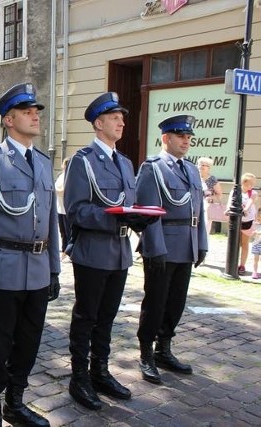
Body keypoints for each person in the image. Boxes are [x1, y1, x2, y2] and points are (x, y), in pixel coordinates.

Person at [0, 83, 59, 427]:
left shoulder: (44, 163)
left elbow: (51, 221)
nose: (36, 115)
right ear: (8, 120)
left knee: (30, 343)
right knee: (0, 345)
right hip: (3, 271)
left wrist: (54, 270)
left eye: (36, 110)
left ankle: (14, 402)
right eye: (27, 111)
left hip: (36, 269)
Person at [65, 92, 153, 410]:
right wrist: (112, 216)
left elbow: (128, 205)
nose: (121, 122)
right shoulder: (83, 160)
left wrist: (139, 219)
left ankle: (100, 371)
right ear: (98, 123)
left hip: (120, 251)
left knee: (108, 317)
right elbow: (75, 210)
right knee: (87, 316)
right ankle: (79, 378)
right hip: (92, 251)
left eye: (122, 117)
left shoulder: (126, 163)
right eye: (115, 117)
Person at [135, 114, 208, 384]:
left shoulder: (190, 170)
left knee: (176, 301)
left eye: (188, 137)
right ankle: (146, 353)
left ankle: (163, 349)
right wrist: (155, 248)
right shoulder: (153, 168)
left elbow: (197, 211)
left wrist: (201, 244)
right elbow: (147, 211)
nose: (186, 141)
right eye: (181, 136)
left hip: (186, 244)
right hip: (163, 244)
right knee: (155, 302)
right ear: (166, 138)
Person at [226, 172, 257, 275]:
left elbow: (250, 203)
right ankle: (233, 263)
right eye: (250, 184)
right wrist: (227, 210)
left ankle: (242, 265)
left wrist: (246, 210)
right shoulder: (235, 191)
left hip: (248, 221)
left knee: (244, 243)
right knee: (235, 243)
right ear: (244, 182)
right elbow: (230, 201)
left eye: (253, 184)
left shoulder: (253, 193)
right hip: (236, 220)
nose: (252, 186)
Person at [197, 157, 223, 235]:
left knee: (205, 228)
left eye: (205, 165)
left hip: (206, 207)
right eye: (200, 165)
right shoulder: (194, 177)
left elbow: (219, 195)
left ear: (209, 168)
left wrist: (209, 197)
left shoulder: (212, 179)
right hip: (195, 205)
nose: (202, 167)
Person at [54, 157, 70, 260]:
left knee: (69, 232)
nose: (63, 166)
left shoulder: (71, 176)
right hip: (60, 208)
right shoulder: (61, 176)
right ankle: (64, 251)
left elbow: (64, 190)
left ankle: (69, 252)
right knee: (63, 232)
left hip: (67, 209)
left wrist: (57, 190)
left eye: (64, 164)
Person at [250, 208, 261, 279]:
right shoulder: (255, 224)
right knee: (255, 259)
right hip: (256, 244)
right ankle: (254, 272)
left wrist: (258, 232)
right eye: (259, 214)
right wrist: (253, 233)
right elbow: (251, 235)